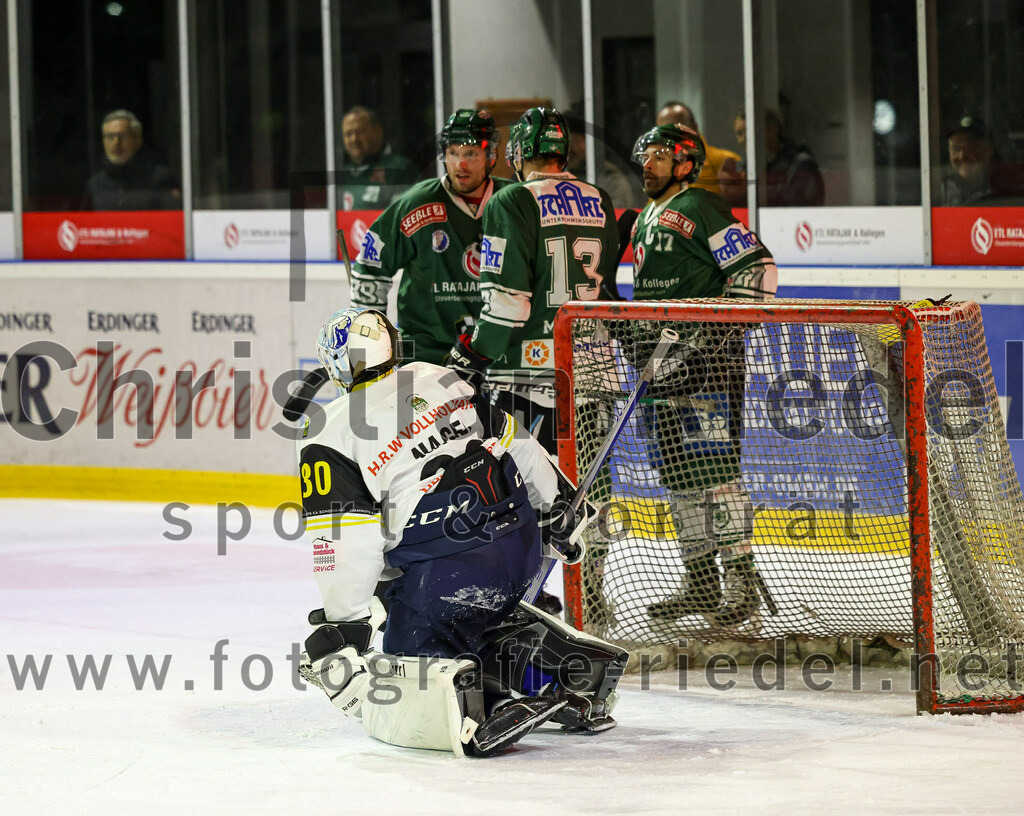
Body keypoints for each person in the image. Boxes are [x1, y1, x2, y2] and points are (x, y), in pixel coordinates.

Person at [295, 307, 624, 757]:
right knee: (429, 596)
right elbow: (517, 442)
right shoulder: (438, 377)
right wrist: (557, 511)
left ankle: (474, 702)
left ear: (335, 365)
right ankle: (571, 671)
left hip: (449, 575)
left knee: (398, 672)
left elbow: (345, 540)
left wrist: (343, 626)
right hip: (522, 552)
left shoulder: (329, 433)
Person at [629, 123, 778, 627]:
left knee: (717, 477)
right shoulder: (644, 217)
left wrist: (715, 336)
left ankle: (740, 582)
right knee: (678, 478)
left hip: (708, 369)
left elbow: (758, 268)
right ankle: (699, 584)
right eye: (645, 156)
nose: (647, 164)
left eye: (659, 156)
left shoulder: (700, 206)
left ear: (686, 163)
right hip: (659, 364)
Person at [446, 107, 619, 454]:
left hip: (529, 379)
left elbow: (507, 304)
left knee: (531, 495)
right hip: (595, 372)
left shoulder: (512, 200)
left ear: (518, 154)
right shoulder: (600, 198)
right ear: (564, 153)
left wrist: (472, 355)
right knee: (590, 495)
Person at [350, 109, 512, 365]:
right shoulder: (416, 203)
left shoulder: (513, 203)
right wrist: (371, 338)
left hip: (496, 356)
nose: (460, 164)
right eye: (453, 153)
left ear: (491, 156)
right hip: (426, 357)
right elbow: (370, 266)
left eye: (471, 153)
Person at [722, 107, 824, 207]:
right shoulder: (742, 170)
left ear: (773, 130)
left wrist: (746, 193)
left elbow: (799, 206)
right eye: (739, 133)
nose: (744, 139)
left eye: (749, 131)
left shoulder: (801, 164)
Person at [83, 109, 180, 210]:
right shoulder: (95, 185)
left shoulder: (160, 179)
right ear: (103, 142)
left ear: (137, 140)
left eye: (123, 136)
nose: (116, 143)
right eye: (110, 137)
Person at [656, 101, 742, 201]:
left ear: (695, 128)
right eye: (664, 133)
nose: (672, 138)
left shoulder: (724, 161)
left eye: (678, 130)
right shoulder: (656, 168)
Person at [338, 106, 418, 211]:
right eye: (348, 134)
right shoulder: (342, 175)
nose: (354, 139)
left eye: (360, 132)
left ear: (378, 132)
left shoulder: (398, 168)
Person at [939, 115, 1024, 205]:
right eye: (956, 148)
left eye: (970, 147)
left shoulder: (1008, 186)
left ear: (988, 151)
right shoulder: (943, 189)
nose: (962, 156)